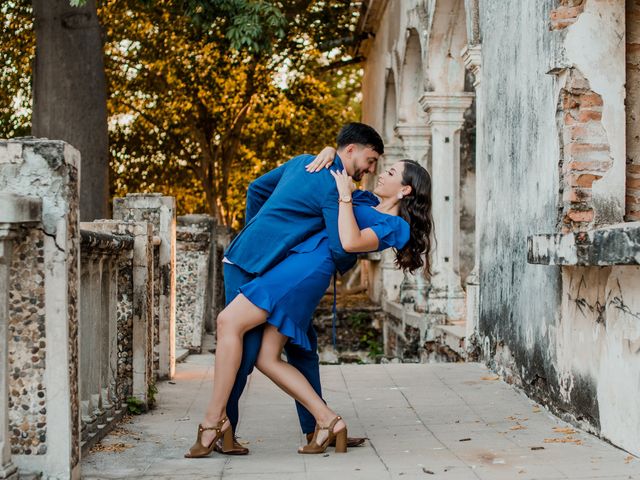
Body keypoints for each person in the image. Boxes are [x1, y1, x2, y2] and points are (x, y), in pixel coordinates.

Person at [185, 127, 434, 457]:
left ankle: (215, 422)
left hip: (304, 273)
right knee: (265, 355)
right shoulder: (365, 199)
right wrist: (330, 151)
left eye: (387, 170)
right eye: (377, 163)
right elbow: (330, 182)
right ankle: (325, 421)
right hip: (297, 266)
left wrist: (343, 193)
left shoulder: (395, 226)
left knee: (231, 325)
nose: (377, 171)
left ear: (405, 189)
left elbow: (348, 242)